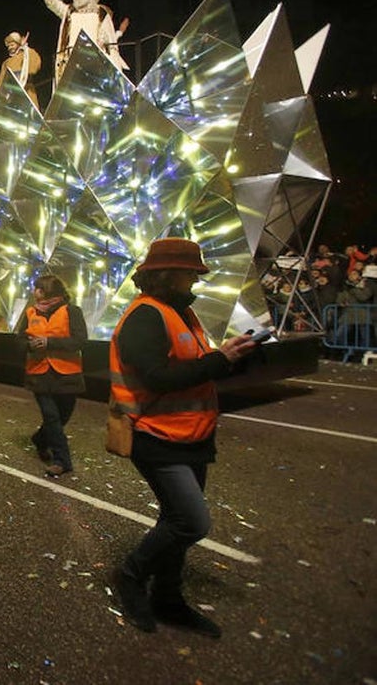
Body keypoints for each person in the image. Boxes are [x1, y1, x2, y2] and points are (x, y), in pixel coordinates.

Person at [110, 238, 258, 637]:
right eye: (190, 272)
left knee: (174, 519)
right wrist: (218, 360)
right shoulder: (144, 316)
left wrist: (228, 356)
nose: (196, 278)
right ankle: (130, 575)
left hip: (192, 437)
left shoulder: (182, 313)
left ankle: (169, 599)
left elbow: (195, 367)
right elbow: (156, 378)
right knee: (192, 522)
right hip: (156, 437)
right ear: (165, 275)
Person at [16, 275, 86, 476]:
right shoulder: (31, 313)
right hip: (39, 373)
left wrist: (49, 342)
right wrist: (29, 345)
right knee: (52, 417)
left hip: (67, 374)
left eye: (37, 289)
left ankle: (40, 439)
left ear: (48, 291)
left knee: (62, 417)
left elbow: (80, 340)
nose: (34, 292)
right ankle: (62, 460)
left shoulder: (72, 312)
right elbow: (19, 341)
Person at [41, 0, 128, 83]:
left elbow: (110, 40)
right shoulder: (69, 12)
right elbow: (54, 4)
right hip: (71, 63)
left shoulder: (100, 14)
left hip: (95, 63)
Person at [0, 31, 43, 108]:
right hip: (12, 96)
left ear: (18, 44)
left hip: (26, 91)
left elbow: (35, 66)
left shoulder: (26, 55)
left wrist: (25, 48)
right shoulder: (6, 63)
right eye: (8, 46)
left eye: (12, 45)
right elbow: (1, 81)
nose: (10, 47)